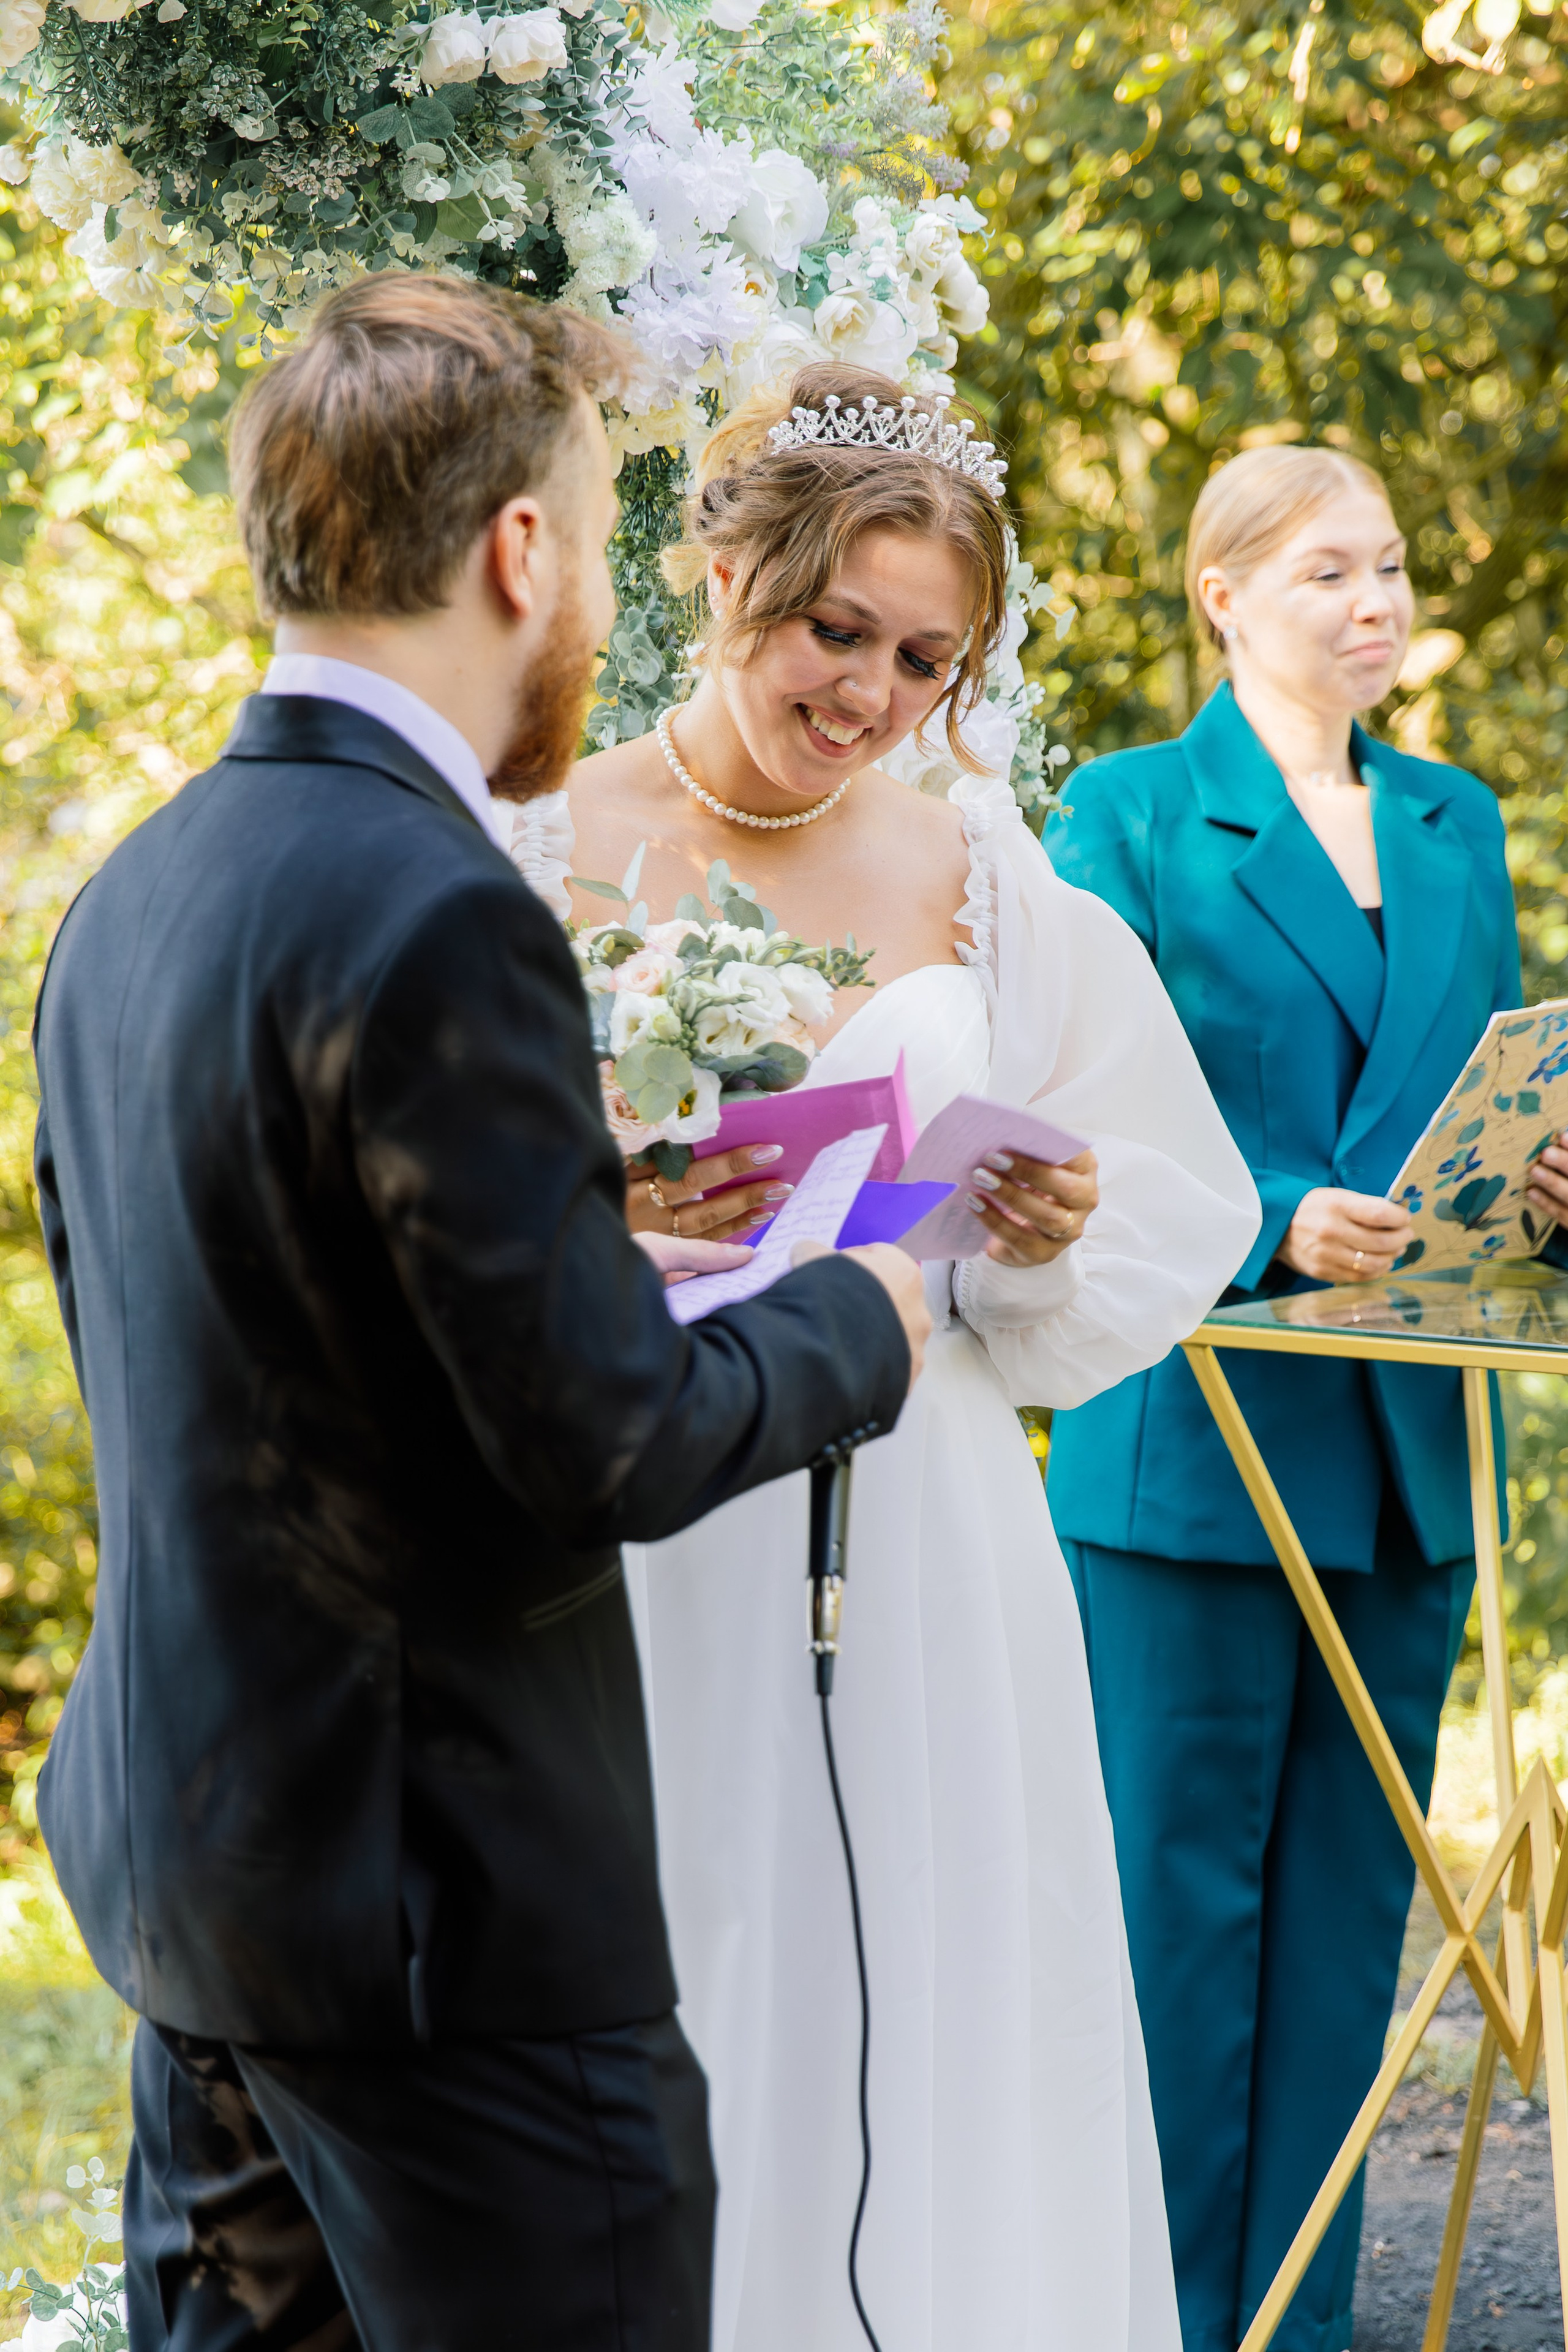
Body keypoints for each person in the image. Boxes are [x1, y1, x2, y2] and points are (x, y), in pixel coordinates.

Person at [29, 279, 933, 2352]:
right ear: (522, 549)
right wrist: (864, 1313)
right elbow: (608, 1445)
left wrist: (576, 1246)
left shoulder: (137, 889)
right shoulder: (444, 903)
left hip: (204, 1887)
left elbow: (225, 1335)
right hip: (449, 1924)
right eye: (600, 543)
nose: (598, 599)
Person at [511, 361, 1262, 2352]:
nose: (870, 691)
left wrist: (1049, 1225)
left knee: (935, 1975)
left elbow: (1156, 1189)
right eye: (836, 629)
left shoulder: (981, 874)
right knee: (682, 1951)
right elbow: (427, 1188)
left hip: (925, 1520)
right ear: (726, 571)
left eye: (925, 660)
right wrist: (600, 1202)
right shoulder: (539, 833)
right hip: (645, 1505)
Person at [1045, 443, 1568, 2352]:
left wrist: (1544, 1185)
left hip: (1410, 1459)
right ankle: (1157, 2325)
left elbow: (1490, 1095)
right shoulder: (1126, 813)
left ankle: (1303, 2332)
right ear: (1225, 594)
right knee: (1174, 1942)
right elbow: (1073, 1109)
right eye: (1331, 570)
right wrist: (1274, 1215)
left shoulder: (1455, 819)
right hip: (1192, 1457)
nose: (1378, 602)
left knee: (1348, 1943)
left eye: (1394, 566)